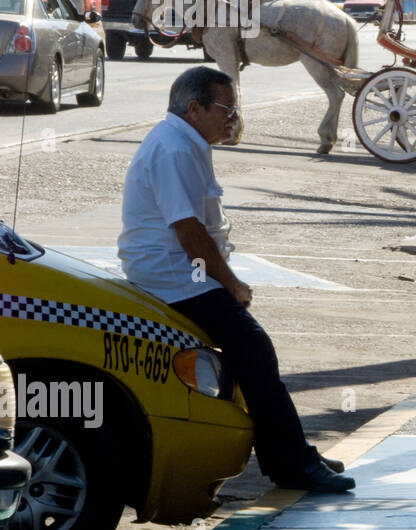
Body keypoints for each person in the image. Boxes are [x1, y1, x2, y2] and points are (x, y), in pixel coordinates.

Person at [117, 67, 355, 494]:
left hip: (182, 273)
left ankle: (293, 453)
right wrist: (232, 285)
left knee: (253, 353)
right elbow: (190, 233)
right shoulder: (174, 150)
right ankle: (292, 465)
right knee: (254, 349)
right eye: (226, 108)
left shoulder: (187, 141)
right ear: (195, 108)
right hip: (175, 278)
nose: (233, 117)